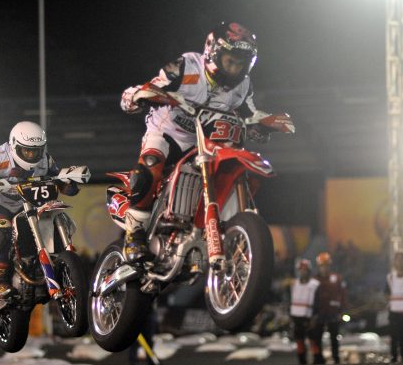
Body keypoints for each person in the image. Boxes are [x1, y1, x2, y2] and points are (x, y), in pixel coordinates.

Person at [118, 21, 293, 262]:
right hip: (167, 132)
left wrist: (263, 125)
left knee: (226, 169)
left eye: (240, 64)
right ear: (213, 52)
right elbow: (154, 86)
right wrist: (139, 96)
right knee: (151, 163)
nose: (234, 68)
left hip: (206, 142)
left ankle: (212, 228)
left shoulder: (243, 86)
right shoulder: (186, 65)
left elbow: (249, 114)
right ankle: (134, 235)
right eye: (230, 61)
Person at [0, 121, 79, 300]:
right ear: (14, 145)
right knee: (2, 226)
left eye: (35, 150)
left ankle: (56, 263)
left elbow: (59, 180)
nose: (32, 154)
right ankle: (1, 282)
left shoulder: (45, 159)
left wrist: (69, 184)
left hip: (29, 202)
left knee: (53, 215)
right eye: (27, 151)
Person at [313, 252, 347, 364]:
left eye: (326, 265)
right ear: (319, 266)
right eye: (322, 266)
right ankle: (318, 358)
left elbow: (342, 294)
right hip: (319, 312)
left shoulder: (336, 278)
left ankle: (336, 358)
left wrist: (342, 310)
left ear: (330, 265)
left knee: (334, 336)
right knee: (317, 336)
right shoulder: (314, 280)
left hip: (333, 312)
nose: (325, 268)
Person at [289, 258, 321, 365]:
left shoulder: (315, 285)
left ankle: (317, 361)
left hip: (309, 317)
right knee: (299, 341)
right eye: (301, 270)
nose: (303, 272)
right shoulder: (294, 284)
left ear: (309, 271)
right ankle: (302, 363)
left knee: (313, 341)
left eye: (305, 270)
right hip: (296, 317)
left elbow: (318, 302)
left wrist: (314, 317)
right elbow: (290, 301)